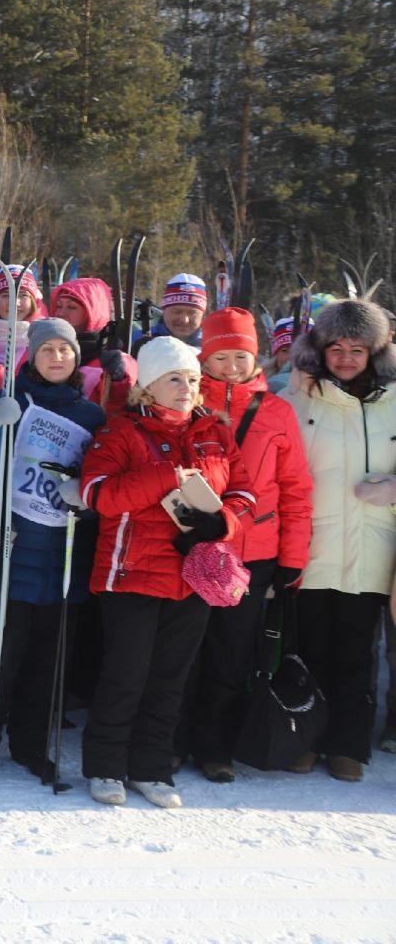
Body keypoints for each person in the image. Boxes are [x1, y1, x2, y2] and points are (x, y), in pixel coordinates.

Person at [79, 336, 254, 808]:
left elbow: (245, 493)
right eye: (174, 378)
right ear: (148, 387)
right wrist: (167, 477)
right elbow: (97, 494)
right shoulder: (121, 432)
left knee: (170, 677)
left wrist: (223, 522)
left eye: (193, 379)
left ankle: (151, 768)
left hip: (192, 576)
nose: (185, 387)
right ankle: (105, 766)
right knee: (126, 674)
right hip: (131, 573)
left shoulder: (216, 433)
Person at [0, 318, 103, 781]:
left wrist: (88, 496)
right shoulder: (12, 401)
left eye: (65, 350)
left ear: (77, 357)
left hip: (62, 558)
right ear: (32, 356)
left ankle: (31, 744)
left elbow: (103, 490)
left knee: (46, 661)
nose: (57, 358)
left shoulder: (92, 416)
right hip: (6, 551)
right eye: (47, 350)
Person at [182, 308, 312, 782]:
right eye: (221, 357)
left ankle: (215, 747)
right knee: (182, 651)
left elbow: (295, 488)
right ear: (205, 357)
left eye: (241, 356)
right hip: (192, 548)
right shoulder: (187, 401)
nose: (232, 366)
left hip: (252, 556)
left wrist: (292, 558)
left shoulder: (278, 412)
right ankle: (174, 740)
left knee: (231, 656)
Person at [281, 298, 396, 782]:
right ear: (319, 349)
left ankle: (348, 745)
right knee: (309, 648)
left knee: (357, 651)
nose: (346, 358)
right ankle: (306, 738)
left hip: (374, 546)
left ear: (375, 352)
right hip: (312, 545)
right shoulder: (296, 398)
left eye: (358, 348)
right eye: (337, 347)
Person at [49, 277, 138, 413]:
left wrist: (118, 381)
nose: (61, 313)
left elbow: (119, 411)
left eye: (72, 307)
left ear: (93, 313)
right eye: (59, 306)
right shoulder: (47, 350)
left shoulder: (112, 360)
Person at [133, 274, 207, 352]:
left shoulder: (214, 347)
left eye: (192, 313)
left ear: (203, 314)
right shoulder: (135, 341)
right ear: (164, 309)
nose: (184, 320)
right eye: (177, 311)